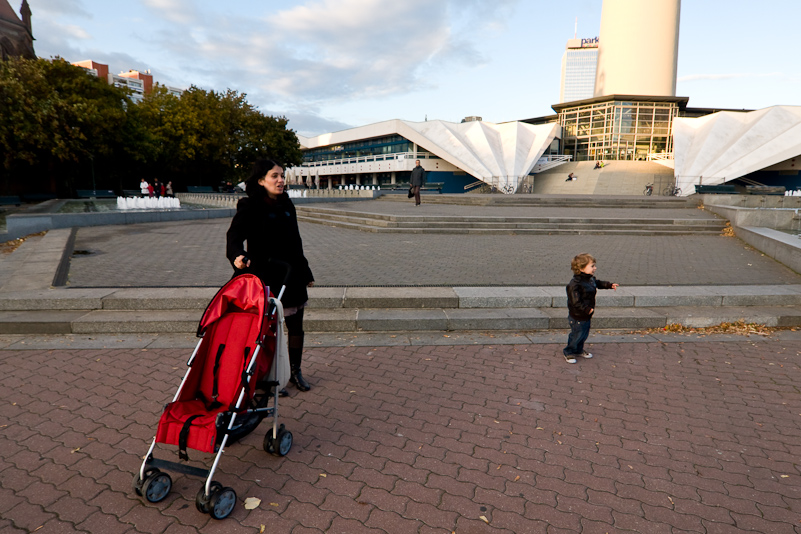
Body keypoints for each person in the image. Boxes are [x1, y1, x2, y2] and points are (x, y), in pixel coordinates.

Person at [226, 159, 315, 394]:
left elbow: (297, 242)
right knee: (267, 330)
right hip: (266, 276)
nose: (280, 180)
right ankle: (266, 376)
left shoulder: (287, 204)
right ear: (261, 180)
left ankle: (295, 370)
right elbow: (234, 236)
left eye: (282, 175)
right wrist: (237, 255)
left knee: (296, 328)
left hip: (291, 275)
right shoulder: (250, 205)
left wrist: (305, 271)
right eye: (274, 176)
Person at [563, 253, 618, 364]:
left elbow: (597, 283)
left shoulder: (589, 279)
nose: (595, 268)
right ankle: (569, 351)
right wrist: (586, 309)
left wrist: (608, 285)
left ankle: (578, 350)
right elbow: (575, 302)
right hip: (578, 315)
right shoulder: (575, 284)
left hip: (586, 314)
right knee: (577, 333)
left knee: (584, 333)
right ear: (582, 268)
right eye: (592, 266)